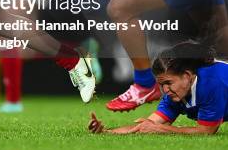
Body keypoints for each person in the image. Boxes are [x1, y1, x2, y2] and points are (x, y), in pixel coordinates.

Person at [89, 42, 227, 134]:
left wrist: (160, 128)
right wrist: (107, 132)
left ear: (187, 76)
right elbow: (148, 125)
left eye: (168, 83)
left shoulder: (211, 83)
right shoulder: (173, 94)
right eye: (161, 85)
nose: (165, 90)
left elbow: (206, 131)